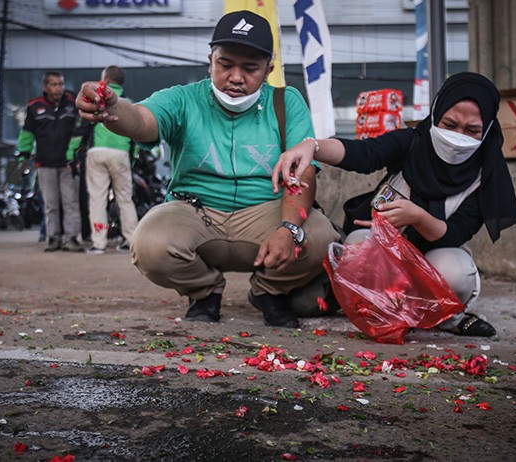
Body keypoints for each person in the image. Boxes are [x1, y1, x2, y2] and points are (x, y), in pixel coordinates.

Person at [76, 10, 339, 328]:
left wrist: (288, 229)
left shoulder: (287, 102)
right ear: (210, 60)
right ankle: (204, 292)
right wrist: (111, 106)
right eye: (225, 64)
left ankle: (269, 291)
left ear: (268, 70)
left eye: (250, 68)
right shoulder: (183, 99)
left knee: (320, 237)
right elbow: (143, 120)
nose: (236, 77)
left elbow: (304, 172)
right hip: (195, 213)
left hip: (266, 213)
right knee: (150, 244)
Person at [273, 72, 516, 337]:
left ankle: (446, 317)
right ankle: (387, 311)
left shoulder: (485, 175)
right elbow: (363, 154)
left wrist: (417, 217)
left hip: (433, 261)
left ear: (487, 131)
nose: (457, 137)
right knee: (359, 249)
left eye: (472, 131)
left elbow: (458, 232)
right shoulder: (411, 142)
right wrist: (312, 147)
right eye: (449, 124)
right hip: (387, 256)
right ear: (436, 113)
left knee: (457, 272)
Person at [17, 71, 85, 252]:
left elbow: (82, 129)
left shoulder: (72, 105)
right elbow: (27, 135)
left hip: (68, 164)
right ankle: (53, 239)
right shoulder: (34, 107)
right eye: (54, 85)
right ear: (45, 87)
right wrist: (23, 155)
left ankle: (71, 239)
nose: (58, 88)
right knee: (51, 204)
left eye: (60, 84)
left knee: (71, 203)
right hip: (45, 164)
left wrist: (77, 152)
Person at [81, 66, 138, 255]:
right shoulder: (129, 103)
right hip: (121, 153)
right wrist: (133, 159)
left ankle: (99, 243)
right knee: (124, 199)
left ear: (105, 79)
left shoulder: (95, 100)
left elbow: (83, 129)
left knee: (97, 199)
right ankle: (131, 241)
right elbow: (136, 135)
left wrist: (72, 154)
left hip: (97, 152)